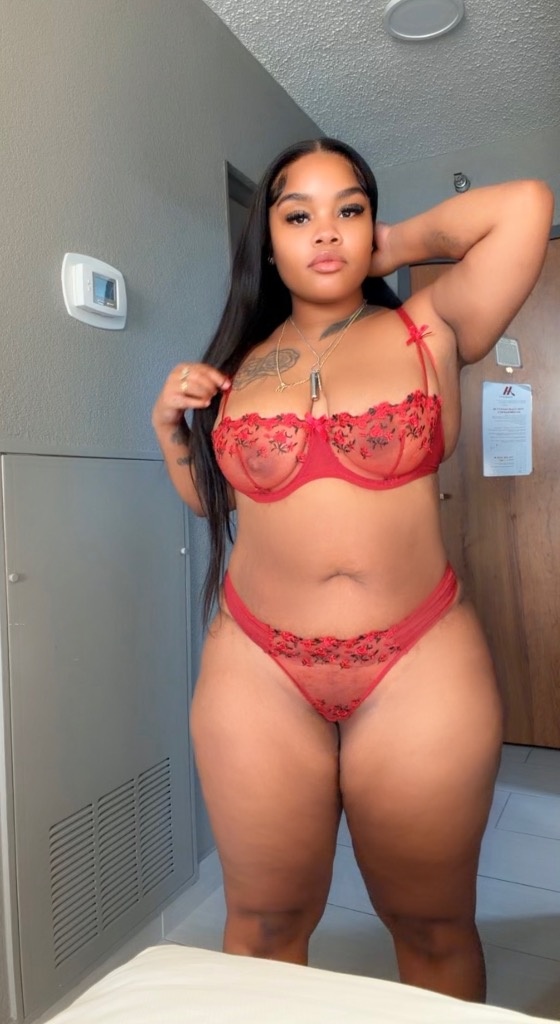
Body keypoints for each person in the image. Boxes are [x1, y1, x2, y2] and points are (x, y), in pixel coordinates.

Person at [152, 138, 553, 1002]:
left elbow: (525, 204)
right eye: (298, 215)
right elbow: (219, 507)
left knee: (433, 926)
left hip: (419, 659)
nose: (326, 231)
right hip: (258, 664)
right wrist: (168, 434)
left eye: (350, 210)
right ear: (267, 242)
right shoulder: (236, 366)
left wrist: (389, 247)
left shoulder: (431, 325)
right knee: (262, 926)